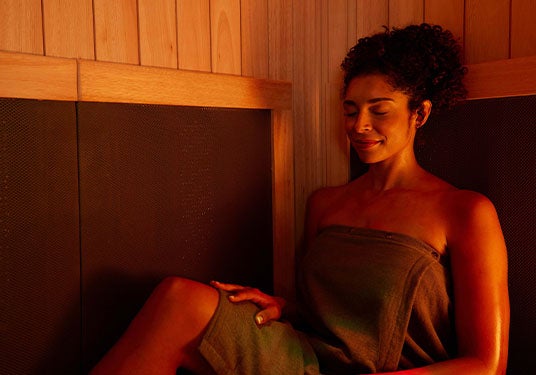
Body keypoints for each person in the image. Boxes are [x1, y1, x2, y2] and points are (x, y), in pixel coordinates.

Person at [91, 24, 509, 374]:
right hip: (307, 361)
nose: (360, 125)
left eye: (379, 110)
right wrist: (283, 307)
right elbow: (320, 314)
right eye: (350, 110)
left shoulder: (464, 212)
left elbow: (486, 364)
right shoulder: (326, 203)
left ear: (419, 114)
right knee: (179, 299)